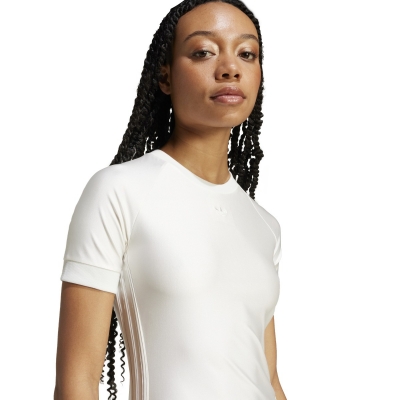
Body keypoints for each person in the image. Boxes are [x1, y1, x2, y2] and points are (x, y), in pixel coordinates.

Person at [54, 0, 286, 399]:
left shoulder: (265, 226)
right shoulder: (119, 192)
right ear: (165, 76)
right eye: (204, 52)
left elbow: (269, 379)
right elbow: (77, 382)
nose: (230, 68)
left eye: (247, 54)